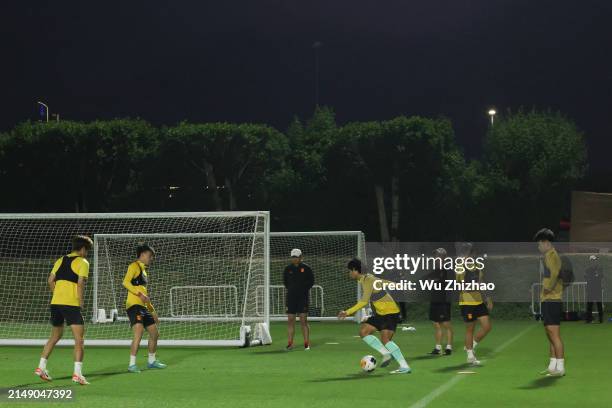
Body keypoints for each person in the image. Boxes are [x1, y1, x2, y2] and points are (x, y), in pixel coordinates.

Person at [35, 235, 93, 385]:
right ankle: (77, 374)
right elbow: (80, 283)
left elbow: (50, 280)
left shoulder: (60, 260)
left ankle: (41, 367)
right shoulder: (83, 262)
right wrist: (80, 301)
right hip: (71, 304)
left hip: (55, 303)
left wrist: (58, 295)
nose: (87, 253)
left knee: (55, 336)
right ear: (82, 249)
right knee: (79, 340)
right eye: (87, 250)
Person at [338, 258, 411, 374]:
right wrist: (397, 285)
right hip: (381, 313)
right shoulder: (366, 279)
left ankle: (404, 366)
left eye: (350, 271)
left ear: (355, 270)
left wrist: (347, 312)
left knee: (385, 340)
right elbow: (382, 282)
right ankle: (386, 354)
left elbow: (363, 302)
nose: (349, 273)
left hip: (390, 312)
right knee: (364, 332)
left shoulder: (367, 280)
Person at [123, 243, 166, 372]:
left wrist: (153, 311)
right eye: (149, 255)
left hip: (143, 306)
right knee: (139, 333)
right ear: (142, 255)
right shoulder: (134, 266)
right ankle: (132, 364)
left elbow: (145, 296)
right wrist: (138, 293)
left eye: (152, 256)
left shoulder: (144, 271)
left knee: (155, 333)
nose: (151, 258)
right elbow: (125, 282)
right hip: (134, 306)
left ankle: (152, 361)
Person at [534, 228, 565, 376]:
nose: (538, 247)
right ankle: (553, 366)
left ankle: (561, 367)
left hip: (552, 299)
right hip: (548, 300)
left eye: (539, 244)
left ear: (546, 243)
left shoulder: (552, 255)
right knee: (549, 334)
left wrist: (547, 289)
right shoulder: (548, 255)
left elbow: (555, 274)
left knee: (554, 334)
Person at [456, 242, 492, 366]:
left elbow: (481, 282)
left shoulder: (477, 266)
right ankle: (470, 356)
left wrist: (487, 297)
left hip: (479, 302)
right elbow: (460, 285)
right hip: (467, 302)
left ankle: (471, 345)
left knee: (487, 326)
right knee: (470, 329)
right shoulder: (460, 266)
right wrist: (473, 286)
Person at [283, 248, 314, 350]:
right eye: (293, 257)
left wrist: (302, 290)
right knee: (290, 320)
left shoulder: (307, 268)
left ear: (301, 257)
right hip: (291, 298)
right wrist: (293, 290)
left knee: (303, 320)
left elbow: (311, 282)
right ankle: (290, 343)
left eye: (296, 257)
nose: (295, 259)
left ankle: (306, 343)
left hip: (302, 298)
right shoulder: (287, 269)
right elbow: (285, 282)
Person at [427, 248, 453, 355]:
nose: (435, 258)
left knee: (446, 324)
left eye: (437, 256)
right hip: (434, 300)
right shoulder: (435, 270)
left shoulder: (447, 269)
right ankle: (438, 348)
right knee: (436, 324)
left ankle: (449, 347)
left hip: (443, 301)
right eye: (435, 256)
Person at [585, 255, 604, 324]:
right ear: (591, 261)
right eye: (594, 260)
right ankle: (588, 319)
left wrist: (596, 276)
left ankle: (601, 319)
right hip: (590, 289)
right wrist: (595, 276)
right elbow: (587, 277)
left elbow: (601, 276)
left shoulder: (599, 268)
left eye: (596, 260)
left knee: (599, 304)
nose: (595, 261)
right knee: (589, 304)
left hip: (597, 289)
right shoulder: (588, 269)